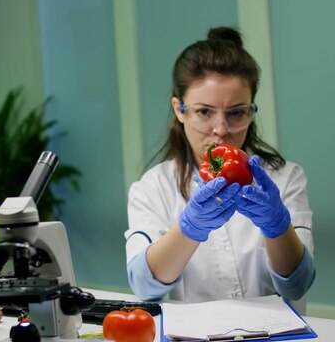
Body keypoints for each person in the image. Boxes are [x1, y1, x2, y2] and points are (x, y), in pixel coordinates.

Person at [124, 26, 315, 303]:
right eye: (204, 112)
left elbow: (297, 286)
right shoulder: (151, 188)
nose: (222, 129)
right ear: (179, 109)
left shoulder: (286, 177)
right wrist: (188, 229)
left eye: (237, 112)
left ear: (251, 110)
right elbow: (144, 287)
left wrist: (277, 226)